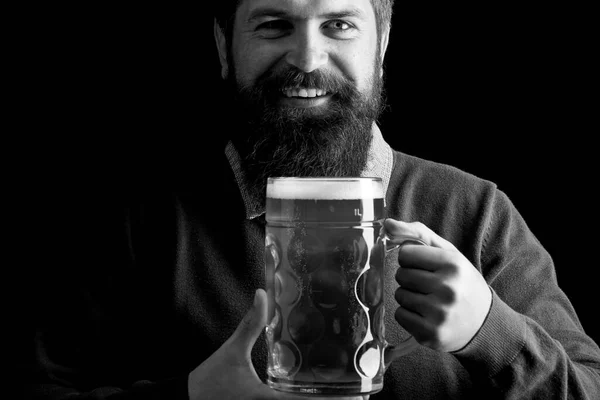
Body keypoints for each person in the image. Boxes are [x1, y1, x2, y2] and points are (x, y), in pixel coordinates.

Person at [19, 0, 600, 399]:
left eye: (339, 25)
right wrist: (194, 395)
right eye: (274, 24)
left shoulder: (475, 214)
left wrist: (489, 331)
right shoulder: (142, 225)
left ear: (383, 44)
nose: (306, 58)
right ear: (225, 46)